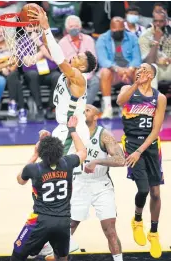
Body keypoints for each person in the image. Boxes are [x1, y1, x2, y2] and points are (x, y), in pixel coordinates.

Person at [10, 116, 87, 261]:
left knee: (17, 254)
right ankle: (44, 248)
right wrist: (72, 130)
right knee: (62, 257)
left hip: (40, 220)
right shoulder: (67, 162)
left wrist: (34, 155)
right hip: (63, 221)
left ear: (41, 153)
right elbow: (82, 151)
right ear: (60, 151)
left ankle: (39, 247)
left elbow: (20, 180)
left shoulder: (33, 168)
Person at [28, 9, 97, 163]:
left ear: (83, 68)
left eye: (79, 57)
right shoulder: (68, 72)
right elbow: (51, 48)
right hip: (63, 127)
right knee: (54, 169)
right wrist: (41, 28)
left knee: (58, 170)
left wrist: (47, 27)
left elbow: (59, 59)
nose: (74, 56)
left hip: (73, 130)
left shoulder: (78, 77)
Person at [117, 63, 167, 258]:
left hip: (151, 145)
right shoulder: (127, 90)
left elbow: (156, 130)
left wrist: (141, 150)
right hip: (130, 144)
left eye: (145, 69)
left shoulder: (159, 97)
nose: (141, 71)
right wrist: (134, 84)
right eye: (139, 68)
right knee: (144, 189)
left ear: (153, 75)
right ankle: (137, 220)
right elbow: (121, 101)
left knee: (155, 192)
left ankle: (153, 232)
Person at [70, 104, 125, 261]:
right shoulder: (73, 132)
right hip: (79, 183)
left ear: (96, 116)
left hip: (101, 185)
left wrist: (97, 161)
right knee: (69, 228)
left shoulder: (104, 135)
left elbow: (121, 160)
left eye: (87, 110)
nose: (83, 111)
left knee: (110, 230)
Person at [96, 16, 141, 119]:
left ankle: (136, 107)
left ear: (124, 28)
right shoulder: (102, 38)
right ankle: (108, 108)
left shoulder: (132, 38)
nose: (118, 32)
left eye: (120, 30)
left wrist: (129, 70)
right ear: (111, 28)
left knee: (139, 71)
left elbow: (137, 58)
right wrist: (118, 69)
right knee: (105, 72)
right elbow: (103, 60)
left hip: (129, 70)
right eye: (115, 30)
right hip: (113, 72)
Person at [59, 15, 100, 105]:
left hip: (88, 73)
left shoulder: (89, 40)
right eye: (71, 26)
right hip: (71, 75)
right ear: (66, 29)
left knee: (95, 81)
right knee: (68, 83)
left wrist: (86, 74)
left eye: (76, 26)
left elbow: (94, 61)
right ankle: (74, 107)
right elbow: (62, 65)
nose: (74, 28)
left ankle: (84, 107)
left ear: (80, 27)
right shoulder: (62, 43)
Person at [139, 11, 171, 89]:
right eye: (156, 21)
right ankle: (152, 100)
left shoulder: (169, 34)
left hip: (169, 68)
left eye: (161, 21)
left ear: (166, 21)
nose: (158, 24)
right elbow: (148, 62)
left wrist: (168, 60)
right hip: (156, 69)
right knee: (149, 69)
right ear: (152, 21)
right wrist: (156, 39)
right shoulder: (145, 36)